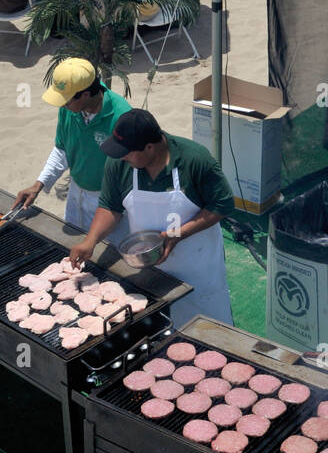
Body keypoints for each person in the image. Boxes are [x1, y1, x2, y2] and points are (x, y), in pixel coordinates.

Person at [68, 108, 234, 328]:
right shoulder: (119, 164)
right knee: (159, 329)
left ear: (150, 147)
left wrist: (178, 235)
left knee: (208, 329)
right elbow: (111, 207)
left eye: (127, 152)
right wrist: (90, 240)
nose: (122, 157)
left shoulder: (195, 160)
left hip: (198, 266)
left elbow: (222, 205)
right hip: (149, 269)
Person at [12, 58, 132, 235]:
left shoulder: (122, 116)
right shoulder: (69, 110)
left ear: (84, 94)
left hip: (109, 203)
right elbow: (62, 150)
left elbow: (131, 172)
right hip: (77, 192)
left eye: (66, 101)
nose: (63, 105)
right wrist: (38, 185)